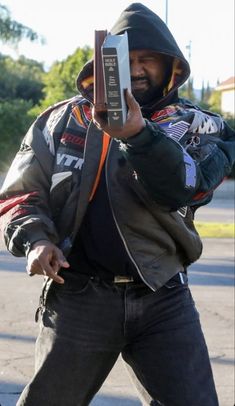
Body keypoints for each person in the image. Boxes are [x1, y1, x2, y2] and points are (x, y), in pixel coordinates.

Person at [0, 3, 234, 405]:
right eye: (128, 60)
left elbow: (188, 188)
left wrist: (139, 136)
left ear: (172, 68)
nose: (138, 69)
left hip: (163, 297)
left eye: (150, 60)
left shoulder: (201, 125)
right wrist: (36, 239)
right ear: (106, 64)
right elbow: (20, 193)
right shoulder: (61, 120)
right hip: (77, 297)